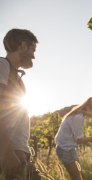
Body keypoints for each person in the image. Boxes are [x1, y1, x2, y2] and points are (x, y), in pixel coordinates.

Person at [0, 28, 38, 179]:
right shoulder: (2, 65)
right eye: (33, 49)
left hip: (18, 154)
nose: (34, 56)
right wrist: (8, 152)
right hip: (7, 153)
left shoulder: (18, 79)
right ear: (22, 45)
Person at [55, 97, 92, 180]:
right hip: (65, 150)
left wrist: (89, 144)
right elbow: (79, 140)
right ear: (88, 108)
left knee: (78, 175)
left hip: (69, 148)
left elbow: (77, 137)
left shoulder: (78, 115)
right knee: (76, 177)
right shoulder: (78, 118)